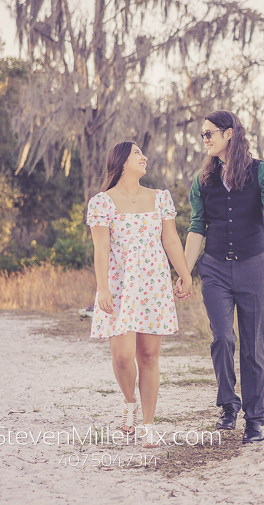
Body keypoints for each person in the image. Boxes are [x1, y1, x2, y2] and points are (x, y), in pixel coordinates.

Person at [178, 110, 264, 444]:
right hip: (215, 269)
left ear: (230, 134)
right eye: (203, 135)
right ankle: (228, 405)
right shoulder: (203, 180)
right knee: (222, 337)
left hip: (254, 265)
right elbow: (197, 227)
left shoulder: (260, 171)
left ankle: (255, 420)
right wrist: (184, 272)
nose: (205, 139)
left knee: (253, 345)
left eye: (209, 133)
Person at [86, 141, 192, 448]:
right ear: (121, 162)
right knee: (122, 356)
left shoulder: (160, 198)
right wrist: (102, 286)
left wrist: (184, 275)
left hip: (153, 284)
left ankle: (147, 425)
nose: (144, 157)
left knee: (148, 356)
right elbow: (101, 247)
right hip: (120, 285)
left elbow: (171, 240)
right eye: (136, 153)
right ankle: (129, 401)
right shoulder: (102, 202)